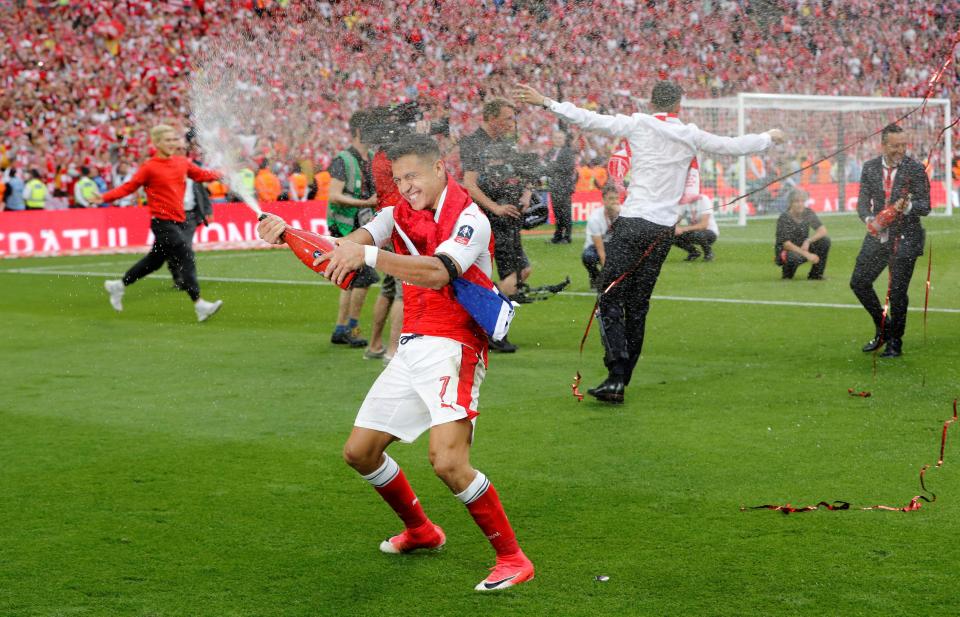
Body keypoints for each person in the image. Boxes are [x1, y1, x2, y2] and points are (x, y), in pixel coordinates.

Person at [256, 134, 535, 592]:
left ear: (440, 168)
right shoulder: (392, 214)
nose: (406, 186)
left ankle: (513, 558)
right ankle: (423, 531)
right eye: (399, 178)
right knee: (360, 452)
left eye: (413, 175)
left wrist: (366, 253)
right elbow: (339, 254)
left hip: (456, 345)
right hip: (412, 347)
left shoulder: (470, 218)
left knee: (447, 462)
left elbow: (439, 270)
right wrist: (288, 234)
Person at [515, 81, 784, 403]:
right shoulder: (689, 133)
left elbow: (590, 120)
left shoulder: (638, 124)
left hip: (634, 223)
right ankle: (621, 381)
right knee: (638, 305)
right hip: (663, 230)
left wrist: (546, 102)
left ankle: (615, 374)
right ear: (678, 106)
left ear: (650, 102)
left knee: (610, 295)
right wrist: (769, 137)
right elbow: (731, 145)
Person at [92, 124, 224, 322]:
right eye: (168, 140)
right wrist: (103, 198)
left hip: (179, 221)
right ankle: (199, 304)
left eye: (174, 139)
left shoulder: (182, 162)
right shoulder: (149, 167)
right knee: (185, 253)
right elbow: (129, 187)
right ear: (157, 142)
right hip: (162, 222)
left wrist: (223, 173)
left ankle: (118, 286)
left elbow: (202, 176)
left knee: (154, 262)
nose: (173, 143)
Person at [850, 123, 930, 358]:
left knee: (896, 293)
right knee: (859, 282)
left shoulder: (915, 169)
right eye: (895, 146)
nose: (900, 150)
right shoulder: (870, 167)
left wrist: (909, 208)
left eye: (904, 145)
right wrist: (868, 218)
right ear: (883, 145)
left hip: (907, 237)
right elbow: (862, 202)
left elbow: (926, 207)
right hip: (878, 235)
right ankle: (884, 327)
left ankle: (896, 342)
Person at [460, 99, 530, 353]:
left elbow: (521, 173)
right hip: (489, 221)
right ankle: (489, 328)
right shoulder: (474, 143)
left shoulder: (505, 144)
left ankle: (486, 324)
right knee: (510, 276)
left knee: (522, 271)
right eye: (507, 118)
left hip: (507, 218)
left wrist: (526, 192)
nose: (511, 123)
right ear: (491, 118)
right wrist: (495, 207)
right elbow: (469, 184)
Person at [327, 110, 380, 348]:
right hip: (346, 224)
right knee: (364, 276)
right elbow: (334, 195)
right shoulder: (343, 159)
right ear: (359, 131)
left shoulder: (371, 156)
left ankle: (341, 327)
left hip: (363, 222)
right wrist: (366, 203)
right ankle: (351, 327)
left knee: (350, 278)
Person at [774, 189, 830, 280]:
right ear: (790, 203)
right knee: (793, 257)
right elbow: (786, 244)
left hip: (802, 247)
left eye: (802, 201)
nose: (800, 204)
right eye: (797, 201)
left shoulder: (808, 213)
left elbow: (823, 230)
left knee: (824, 241)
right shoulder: (784, 218)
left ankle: (816, 275)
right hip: (786, 251)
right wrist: (807, 255)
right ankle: (787, 275)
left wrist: (808, 241)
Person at [582, 183, 621, 289]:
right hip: (595, 247)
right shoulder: (595, 218)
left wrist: (620, 216)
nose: (615, 201)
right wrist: (607, 274)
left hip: (614, 245)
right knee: (588, 257)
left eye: (617, 198)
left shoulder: (624, 214)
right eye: (611, 198)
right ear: (603, 200)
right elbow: (601, 251)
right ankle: (596, 277)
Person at [545, 129, 577, 244]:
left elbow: (569, 168)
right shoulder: (550, 152)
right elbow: (547, 167)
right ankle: (557, 236)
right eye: (556, 138)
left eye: (560, 138)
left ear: (564, 140)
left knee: (565, 213)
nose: (558, 140)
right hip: (554, 186)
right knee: (557, 212)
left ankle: (567, 237)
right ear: (552, 139)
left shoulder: (568, 152)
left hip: (564, 186)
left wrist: (554, 166)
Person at [674, 195, 719, 262]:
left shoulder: (703, 199)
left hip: (710, 232)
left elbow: (704, 225)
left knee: (697, 234)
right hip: (693, 232)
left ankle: (708, 254)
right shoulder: (684, 201)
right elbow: (676, 221)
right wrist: (674, 228)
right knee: (670, 235)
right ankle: (694, 252)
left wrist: (683, 229)